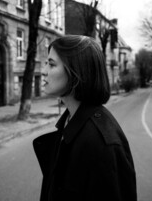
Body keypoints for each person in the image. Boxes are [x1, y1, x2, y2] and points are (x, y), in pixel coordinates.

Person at [33, 35, 137, 201]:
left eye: (51, 64)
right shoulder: (68, 123)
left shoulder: (102, 144)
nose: (43, 71)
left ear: (76, 72)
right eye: (46, 63)